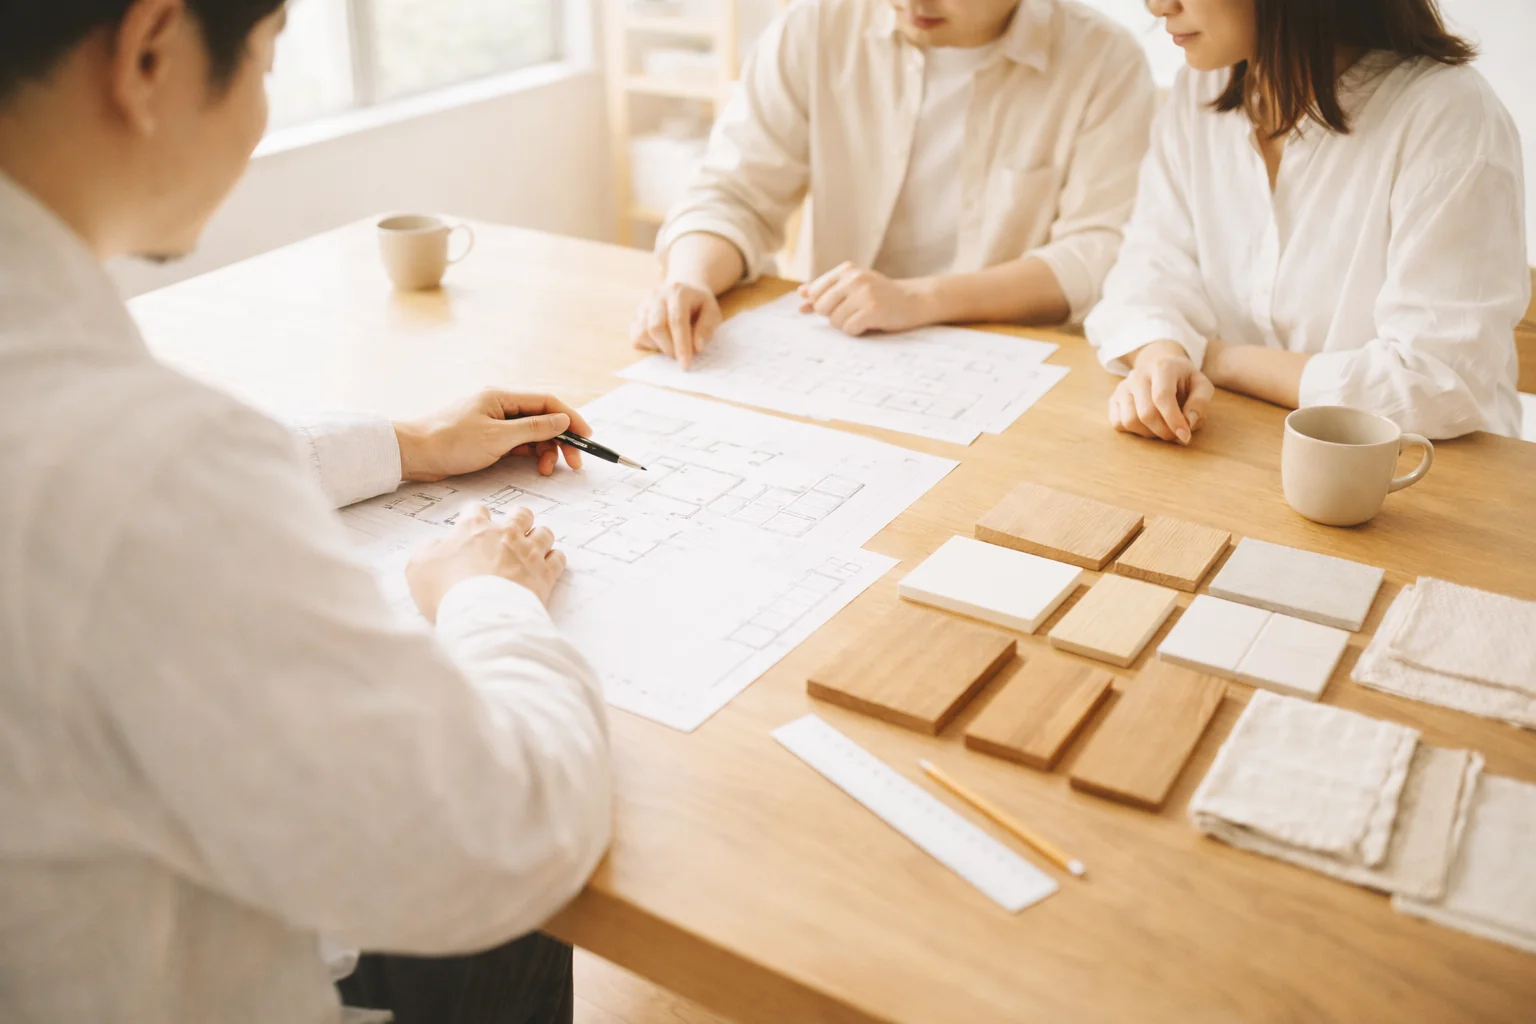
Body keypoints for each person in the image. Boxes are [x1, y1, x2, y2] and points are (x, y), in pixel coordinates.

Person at [0, 2, 611, 1022]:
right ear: (151, 52)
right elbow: (506, 835)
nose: (261, 116)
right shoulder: (147, 459)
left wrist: (403, 444)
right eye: (267, 60)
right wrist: (489, 599)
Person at [1086, 0, 1529, 444]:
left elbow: (1434, 386)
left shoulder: (1452, 119)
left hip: (1429, 474)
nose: (1157, 5)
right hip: (1238, 448)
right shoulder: (1198, 91)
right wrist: (1163, 357)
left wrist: (1214, 358)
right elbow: (1146, 270)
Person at [632, 0, 1157, 367]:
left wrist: (919, 299)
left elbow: (1097, 252)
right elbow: (735, 193)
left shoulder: (1104, 62)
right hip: (827, 350)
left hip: (1011, 362)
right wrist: (692, 276)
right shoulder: (813, 29)